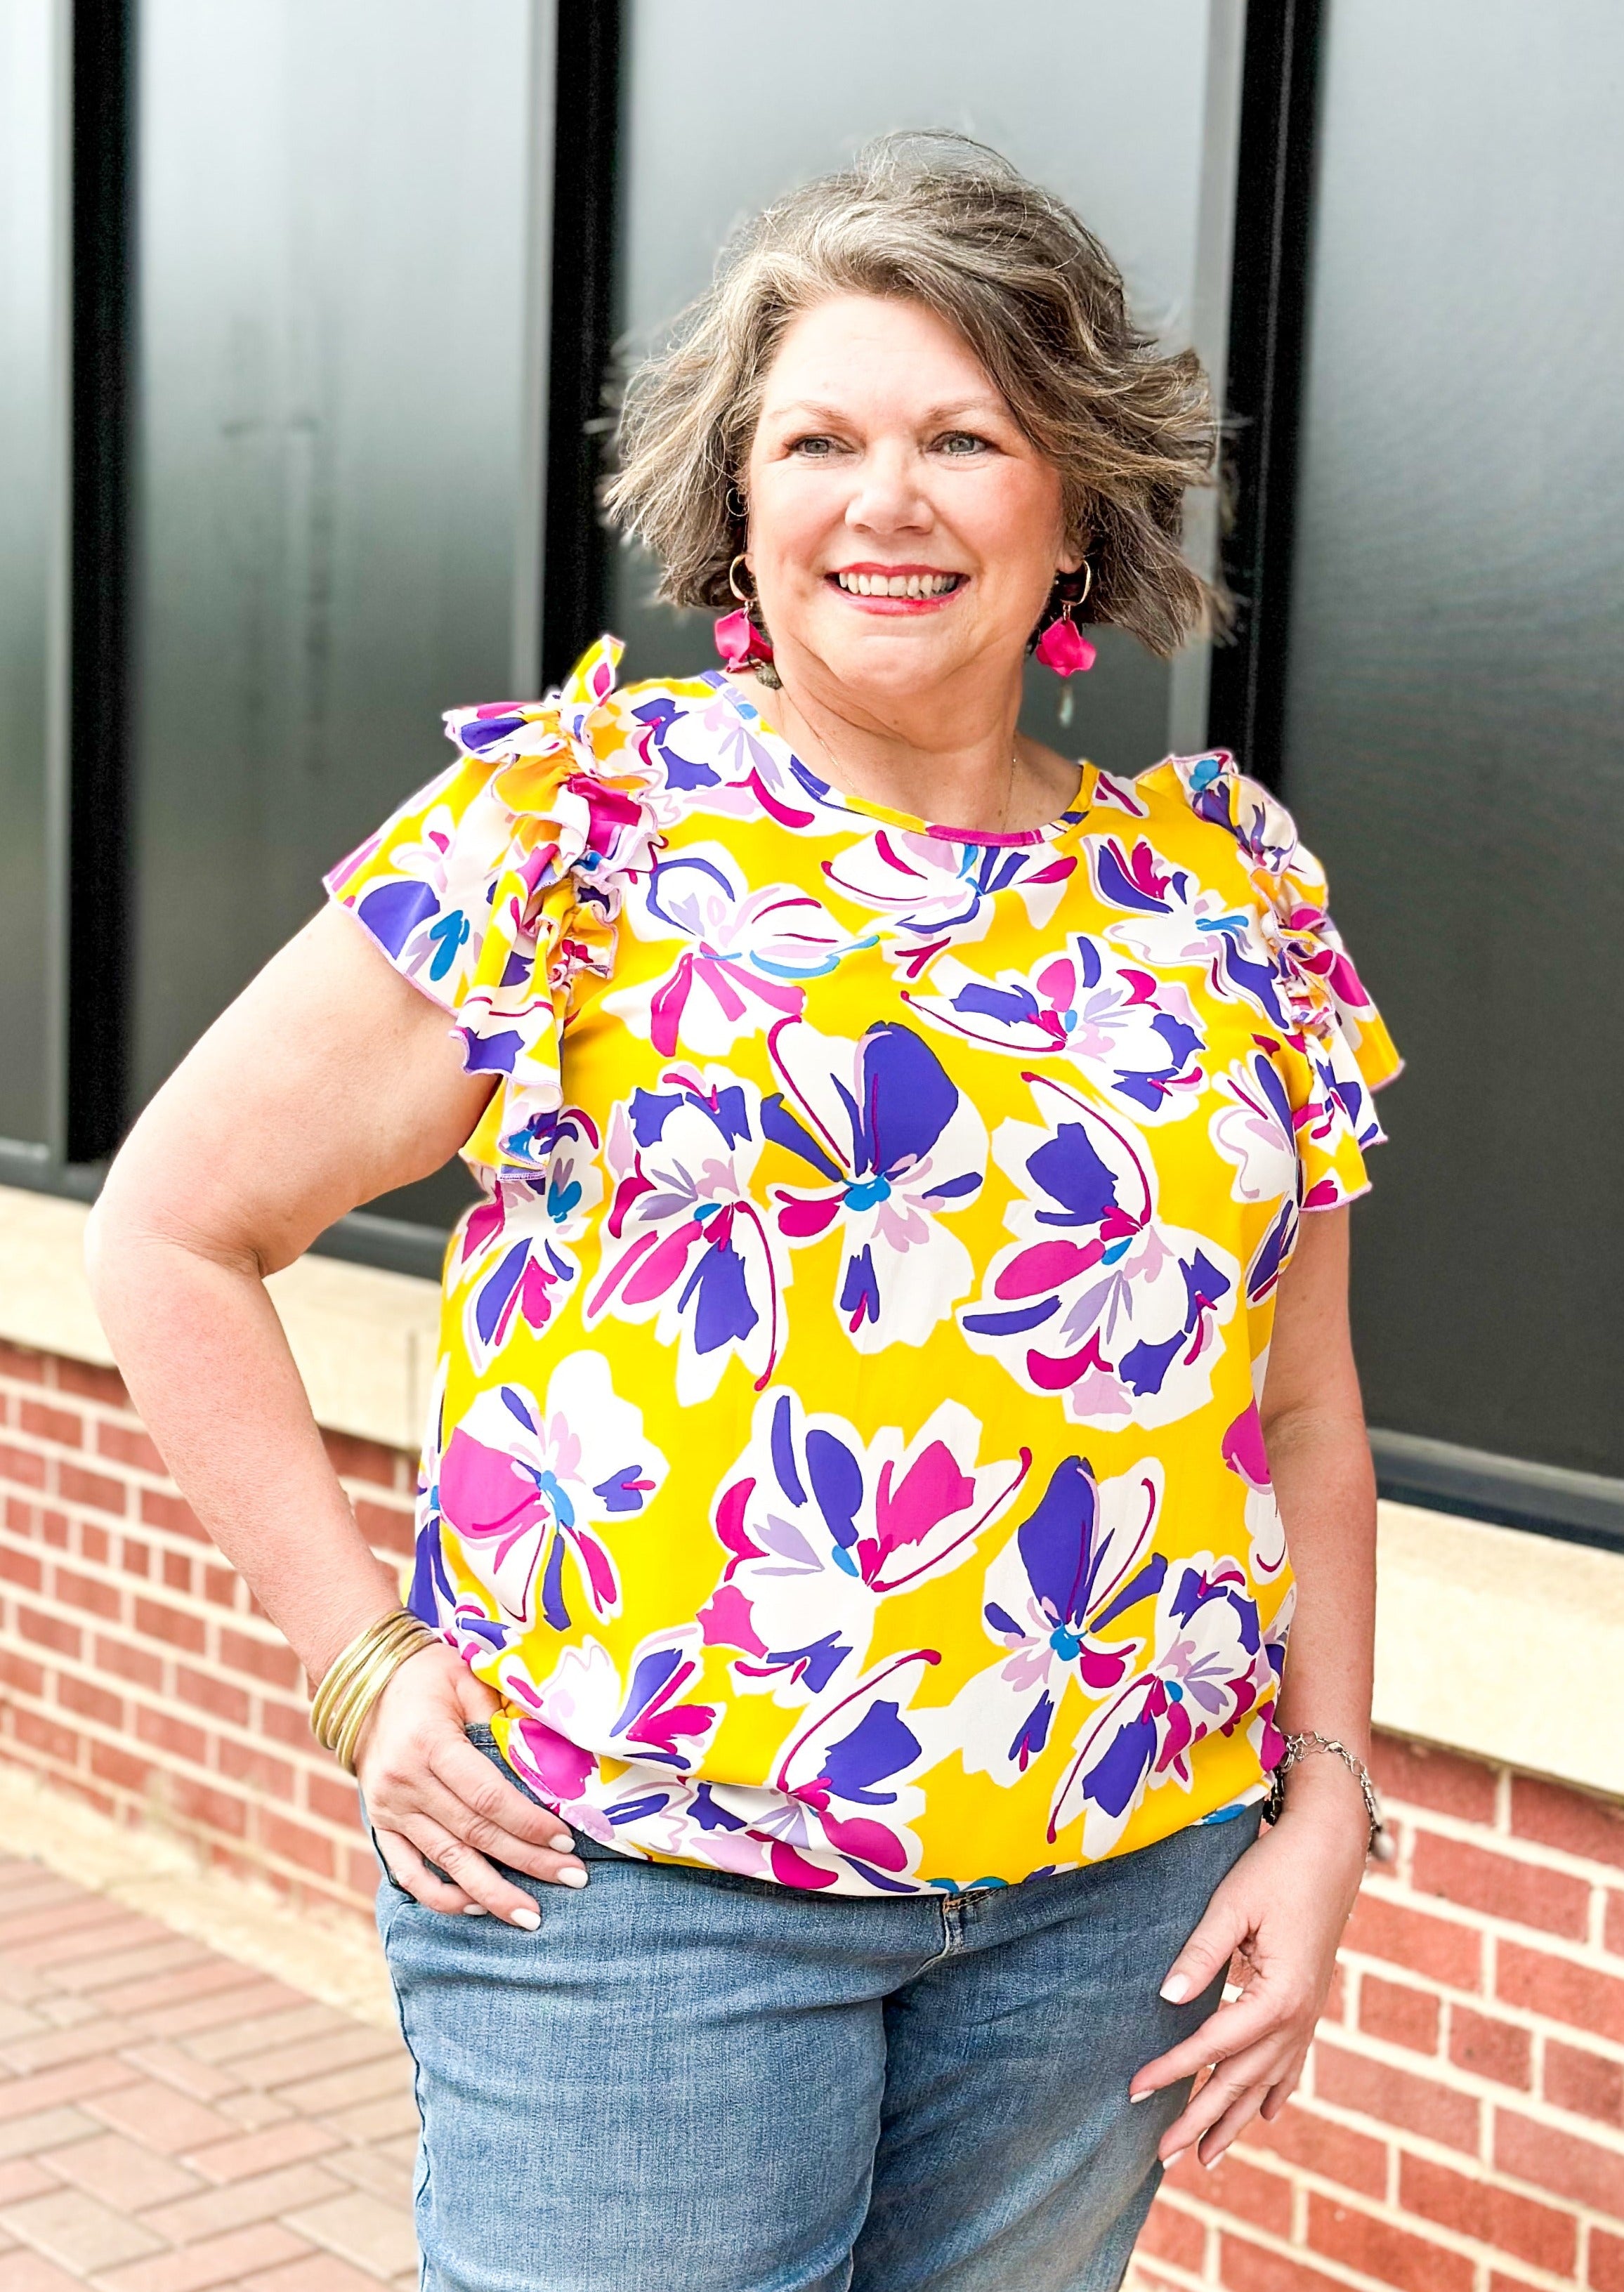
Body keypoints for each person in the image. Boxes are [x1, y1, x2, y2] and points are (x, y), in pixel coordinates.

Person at [87, 134, 1401, 2292]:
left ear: (1071, 496)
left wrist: (1331, 1795)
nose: (887, 501)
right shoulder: (582, 831)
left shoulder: (1229, 889)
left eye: (964, 436)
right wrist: (362, 1672)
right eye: (823, 439)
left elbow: (1308, 1406)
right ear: (740, 498)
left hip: (1112, 1908)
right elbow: (169, 1232)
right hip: (638, 1902)